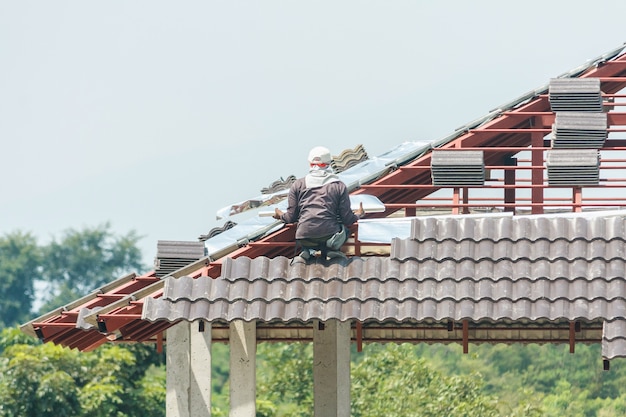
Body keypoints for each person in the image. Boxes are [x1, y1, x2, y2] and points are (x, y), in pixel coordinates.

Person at [273, 146, 364, 261]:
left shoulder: (298, 185)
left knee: (309, 235)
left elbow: (291, 217)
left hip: (305, 236)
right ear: (329, 163)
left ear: (310, 163)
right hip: (330, 236)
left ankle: (308, 250)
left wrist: (280, 215)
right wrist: (359, 214)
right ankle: (332, 250)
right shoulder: (338, 186)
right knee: (345, 230)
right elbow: (347, 219)